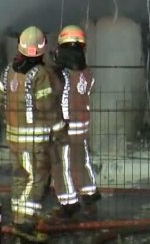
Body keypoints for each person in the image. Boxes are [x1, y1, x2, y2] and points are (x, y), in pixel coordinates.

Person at [0, 26, 78, 242]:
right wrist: (60, 129)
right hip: (35, 141)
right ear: (42, 49)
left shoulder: (8, 71)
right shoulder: (40, 74)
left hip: (13, 138)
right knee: (37, 180)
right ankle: (25, 222)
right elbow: (47, 106)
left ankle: (17, 217)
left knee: (20, 178)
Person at [53, 25, 101, 207]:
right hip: (82, 127)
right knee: (81, 162)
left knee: (61, 167)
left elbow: (61, 97)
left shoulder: (61, 74)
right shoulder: (88, 73)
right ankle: (90, 195)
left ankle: (68, 205)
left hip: (66, 128)